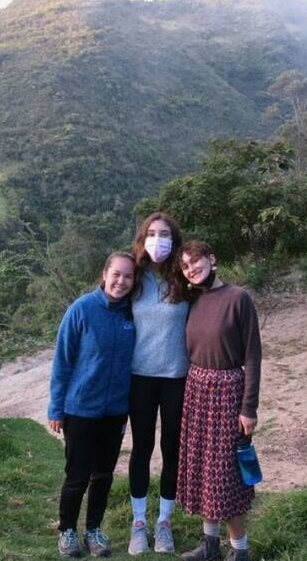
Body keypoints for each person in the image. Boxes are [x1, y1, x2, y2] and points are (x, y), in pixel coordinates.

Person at [176, 240, 261, 561]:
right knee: (204, 472)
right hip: (196, 389)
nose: (191, 268)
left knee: (225, 474)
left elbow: (253, 355)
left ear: (212, 259)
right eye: (184, 266)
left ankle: (240, 550)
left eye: (195, 261)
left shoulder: (238, 298)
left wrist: (248, 408)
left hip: (228, 391)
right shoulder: (193, 300)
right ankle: (210, 546)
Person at [48, 252, 137, 558]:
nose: (121, 281)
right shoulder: (81, 309)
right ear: (104, 273)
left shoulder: (132, 314)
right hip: (80, 409)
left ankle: (94, 530)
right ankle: (67, 531)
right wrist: (55, 408)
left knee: (103, 474)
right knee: (77, 475)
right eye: (116, 274)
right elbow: (62, 361)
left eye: (128, 276)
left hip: (115, 411)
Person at [126, 213, 190, 555]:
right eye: (151, 233)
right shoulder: (134, 277)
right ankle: (139, 523)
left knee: (171, 450)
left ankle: (164, 522)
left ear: (174, 239)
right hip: (140, 379)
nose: (157, 240)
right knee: (141, 449)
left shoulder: (184, 278)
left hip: (177, 378)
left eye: (164, 234)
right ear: (142, 238)